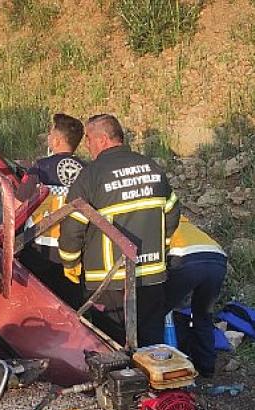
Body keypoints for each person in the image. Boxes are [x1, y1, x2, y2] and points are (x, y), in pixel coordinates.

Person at [58, 114, 180, 347]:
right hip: (152, 276)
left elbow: (72, 226)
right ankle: (151, 382)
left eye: (89, 140)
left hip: (109, 282)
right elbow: (172, 214)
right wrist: (158, 250)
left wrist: (70, 263)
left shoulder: (92, 175)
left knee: (113, 347)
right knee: (151, 345)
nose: (88, 146)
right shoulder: (152, 168)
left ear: (103, 139)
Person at [21, 114, 86, 306]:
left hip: (38, 248)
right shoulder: (88, 170)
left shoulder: (40, 167)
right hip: (73, 252)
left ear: (56, 140)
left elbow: (18, 201)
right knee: (71, 308)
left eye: (50, 133)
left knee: (38, 303)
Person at [165, 217, 227, 378]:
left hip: (185, 259)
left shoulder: (160, 222)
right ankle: (206, 366)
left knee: (169, 312)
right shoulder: (187, 224)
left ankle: (179, 363)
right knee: (203, 315)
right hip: (218, 260)